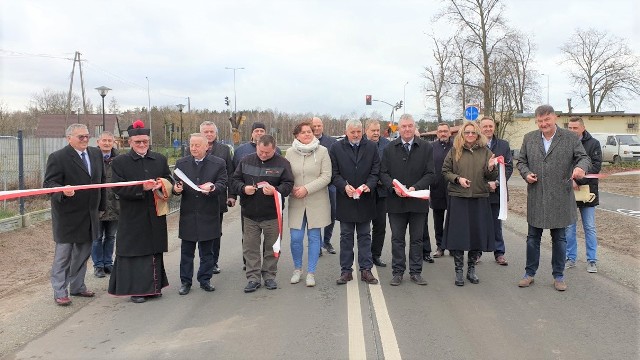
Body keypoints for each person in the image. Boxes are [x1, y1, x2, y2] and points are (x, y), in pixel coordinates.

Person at [516, 105, 590, 291]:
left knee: (559, 239)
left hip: (560, 197)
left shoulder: (570, 137)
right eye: (540, 121)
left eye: (546, 120)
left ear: (555, 118)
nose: (543, 124)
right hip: (537, 195)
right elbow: (521, 162)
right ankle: (529, 273)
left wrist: (580, 168)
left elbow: (584, 158)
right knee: (533, 238)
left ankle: (559, 276)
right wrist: (526, 174)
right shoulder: (529, 138)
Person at [108, 120, 174, 303]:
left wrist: (162, 184)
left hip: (155, 212)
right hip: (132, 214)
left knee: (154, 249)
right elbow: (117, 188)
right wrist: (141, 189)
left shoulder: (159, 159)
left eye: (145, 141)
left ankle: (154, 287)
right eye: (138, 142)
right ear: (130, 142)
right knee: (135, 252)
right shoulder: (120, 162)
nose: (142, 145)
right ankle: (137, 290)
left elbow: (169, 178)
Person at [44, 124, 105, 306]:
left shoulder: (95, 154)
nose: (85, 140)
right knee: (63, 257)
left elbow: (100, 182)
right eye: (81, 137)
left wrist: (101, 207)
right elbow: (49, 185)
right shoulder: (58, 157)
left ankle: (77, 286)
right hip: (67, 217)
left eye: (87, 136)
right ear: (69, 138)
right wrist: (62, 191)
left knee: (83, 254)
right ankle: (60, 291)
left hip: (90, 214)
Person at [230, 135, 294, 293]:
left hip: (272, 214)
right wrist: (243, 189)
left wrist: (275, 191)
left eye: (267, 152)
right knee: (250, 247)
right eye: (261, 151)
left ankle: (270, 276)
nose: (263, 155)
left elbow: (288, 184)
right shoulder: (246, 160)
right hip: (250, 213)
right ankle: (253, 278)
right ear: (256, 146)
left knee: (272, 246)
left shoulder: (283, 163)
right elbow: (235, 180)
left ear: (274, 148)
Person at [380, 114, 435, 286]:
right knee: (397, 239)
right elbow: (383, 173)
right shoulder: (389, 148)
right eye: (403, 126)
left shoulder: (426, 147)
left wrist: (415, 188)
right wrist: (394, 187)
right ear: (399, 128)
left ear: (414, 127)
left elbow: (431, 174)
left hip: (418, 201)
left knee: (417, 239)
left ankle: (416, 272)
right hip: (396, 202)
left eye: (410, 126)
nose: (407, 129)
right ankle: (397, 272)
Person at [442, 121, 498, 286]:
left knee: (476, 235)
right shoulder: (454, 151)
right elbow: (445, 171)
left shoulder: (486, 152)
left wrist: (490, 168)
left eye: (473, 132)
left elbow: (491, 176)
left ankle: (471, 269)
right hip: (459, 197)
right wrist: (458, 179)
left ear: (478, 134)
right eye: (467, 132)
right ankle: (459, 271)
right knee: (459, 236)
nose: (470, 135)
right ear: (462, 134)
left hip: (479, 197)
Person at [173, 133, 227, 295]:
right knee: (186, 252)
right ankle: (185, 282)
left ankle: (205, 279)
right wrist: (176, 190)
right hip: (189, 213)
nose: (194, 148)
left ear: (206, 147)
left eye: (197, 145)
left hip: (209, 212)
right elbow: (176, 185)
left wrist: (212, 188)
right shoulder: (181, 163)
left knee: (207, 252)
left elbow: (223, 183)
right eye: (191, 145)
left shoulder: (218, 163)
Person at [330, 119, 380, 285]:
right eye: (353, 132)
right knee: (346, 237)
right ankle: (346, 271)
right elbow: (334, 174)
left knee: (365, 236)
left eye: (359, 132)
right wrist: (344, 186)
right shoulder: (336, 148)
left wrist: (369, 185)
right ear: (347, 132)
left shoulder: (372, 147)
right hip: (346, 200)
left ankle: (366, 270)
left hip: (365, 200)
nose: (356, 135)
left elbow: (375, 171)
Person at [285, 121, 332, 287]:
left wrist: (307, 188)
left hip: (317, 201)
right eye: (303, 132)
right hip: (297, 201)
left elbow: (326, 176)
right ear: (296, 135)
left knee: (314, 238)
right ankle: (297, 269)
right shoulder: (290, 153)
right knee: (296, 238)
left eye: (309, 131)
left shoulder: (322, 151)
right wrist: (292, 189)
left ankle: (311, 272)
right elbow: (285, 176)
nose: (307, 134)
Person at [565, 116, 602, 273]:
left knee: (589, 227)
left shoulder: (594, 144)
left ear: (583, 128)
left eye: (575, 128)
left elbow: (596, 167)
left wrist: (578, 180)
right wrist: (569, 181)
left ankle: (592, 260)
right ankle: (570, 258)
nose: (572, 131)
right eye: (570, 128)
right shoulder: (564, 143)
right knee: (569, 228)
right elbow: (561, 165)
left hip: (588, 193)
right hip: (569, 192)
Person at [201, 121, 235, 274]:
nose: (209, 135)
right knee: (200, 231)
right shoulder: (192, 148)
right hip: (198, 198)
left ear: (216, 133)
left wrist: (231, 195)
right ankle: (204, 260)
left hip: (217, 197)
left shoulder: (224, 150)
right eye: (206, 132)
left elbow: (230, 173)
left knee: (215, 231)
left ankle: (213, 261)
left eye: (211, 132)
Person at [480, 116, 513, 266]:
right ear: (480, 128)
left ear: (494, 127)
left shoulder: (504, 145)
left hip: (498, 192)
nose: (488, 129)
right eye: (485, 126)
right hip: (480, 191)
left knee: (496, 224)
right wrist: (486, 184)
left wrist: (498, 182)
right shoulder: (475, 145)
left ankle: (499, 253)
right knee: (479, 223)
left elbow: (509, 167)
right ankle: (477, 253)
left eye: (490, 126)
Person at [92, 131, 119, 278]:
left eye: (110, 140)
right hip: (97, 205)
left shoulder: (119, 159)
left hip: (115, 205)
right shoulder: (91, 159)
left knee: (111, 236)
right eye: (104, 140)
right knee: (96, 238)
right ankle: (98, 265)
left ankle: (108, 263)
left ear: (113, 142)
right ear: (98, 142)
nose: (107, 143)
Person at [365, 119, 391, 267]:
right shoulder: (361, 144)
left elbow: (389, 167)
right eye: (373, 130)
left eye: (377, 130)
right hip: (365, 192)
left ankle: (376, 255)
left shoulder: (387, 145)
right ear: (366, 130)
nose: (376, 133)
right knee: (364, 227)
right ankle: (365, 254)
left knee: (380, 226)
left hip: (382, 192)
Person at [311, 116, 338, 255]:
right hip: (313, 185)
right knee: (316, 215)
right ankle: (317, 244)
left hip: (330, 184)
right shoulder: (306, 142)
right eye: (314, 126)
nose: (316, 128)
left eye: (319, 126)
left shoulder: (331, 142)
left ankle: (326, 241)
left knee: (332, 213)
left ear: (323, 126)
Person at [430, 123, 452, 258]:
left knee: (453, 218)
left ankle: (453, 246)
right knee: (438, 219)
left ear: (450, 133)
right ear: (437, 134)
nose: (443, 133)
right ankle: (440, 246)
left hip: (453, 188)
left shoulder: (456, 146)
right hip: (436, 187)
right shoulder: (431, 147)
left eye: (445, 131)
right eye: (440, 131)